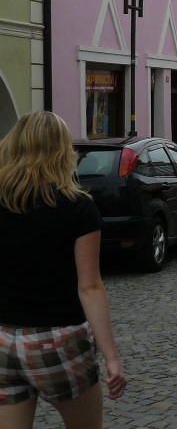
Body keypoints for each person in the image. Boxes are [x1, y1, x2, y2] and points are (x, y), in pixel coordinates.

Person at [0, 111, 127, 428]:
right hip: (57, 339)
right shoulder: (77, 206)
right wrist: (111, 358)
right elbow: (90, 287)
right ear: (62, 150)